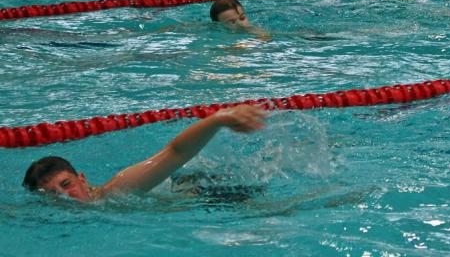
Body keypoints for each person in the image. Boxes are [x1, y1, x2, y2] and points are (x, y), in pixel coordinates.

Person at [22, 105, 269, 202]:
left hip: (210, 192)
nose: (65, 195)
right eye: (53, 193)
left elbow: (175, 152)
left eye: (66, 184)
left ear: (82, 179)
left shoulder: (118, 189)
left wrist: (217, 119)